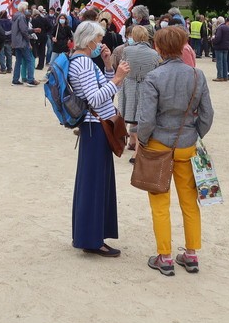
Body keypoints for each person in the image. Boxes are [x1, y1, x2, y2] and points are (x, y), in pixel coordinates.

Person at [136, 26, 214, 276]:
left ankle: (165, 256)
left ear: (157, 48)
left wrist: (144, 140)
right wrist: (196, 133)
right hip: (186, 144)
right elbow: (207, 114)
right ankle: (191, 254)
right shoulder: (196, 75)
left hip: (159, 144)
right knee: (190, 202)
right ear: (183, 46)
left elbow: (146, 118)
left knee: (160, 203)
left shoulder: (154, 77)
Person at [68, 21, 130, 257]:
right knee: (94, 185)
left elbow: (99, 89)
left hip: (95, 127)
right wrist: (117, 79)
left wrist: (108, 67)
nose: (100, 43)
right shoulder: (83, 62)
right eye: (98, 38)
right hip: (96, 127)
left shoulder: (80, 60)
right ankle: (92, 239)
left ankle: (89, 234)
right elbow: (95, 98)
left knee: (93, 184)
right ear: (88, 40)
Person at [116, 25, 161, 152]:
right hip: (146, 86)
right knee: (141, 117)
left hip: (129, 84)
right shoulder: (154, 54)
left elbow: (122, 66)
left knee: (127, 114)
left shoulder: (127, 50)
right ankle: (136, 148)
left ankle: (126, 142)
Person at [11, 2, 37, 86]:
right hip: (22, 42)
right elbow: (24, 31)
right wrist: (28, 41)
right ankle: (30, 79)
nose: (27, 9)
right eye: (26, 8)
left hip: (16, 42)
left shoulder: (15, 16)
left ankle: (15, 79)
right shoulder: (22, 17)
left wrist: (33, 30)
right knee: (29, 60)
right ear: (23, 9)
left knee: (18, 61)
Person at [211, 16, 229, 81]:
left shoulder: (220, 28)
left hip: (219, 46)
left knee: (219, 62)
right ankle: (225, 76)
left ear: (218, 21)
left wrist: (213, 40)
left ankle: (220, 76)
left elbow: (218, 38)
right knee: (225, 62)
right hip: (226, 46)